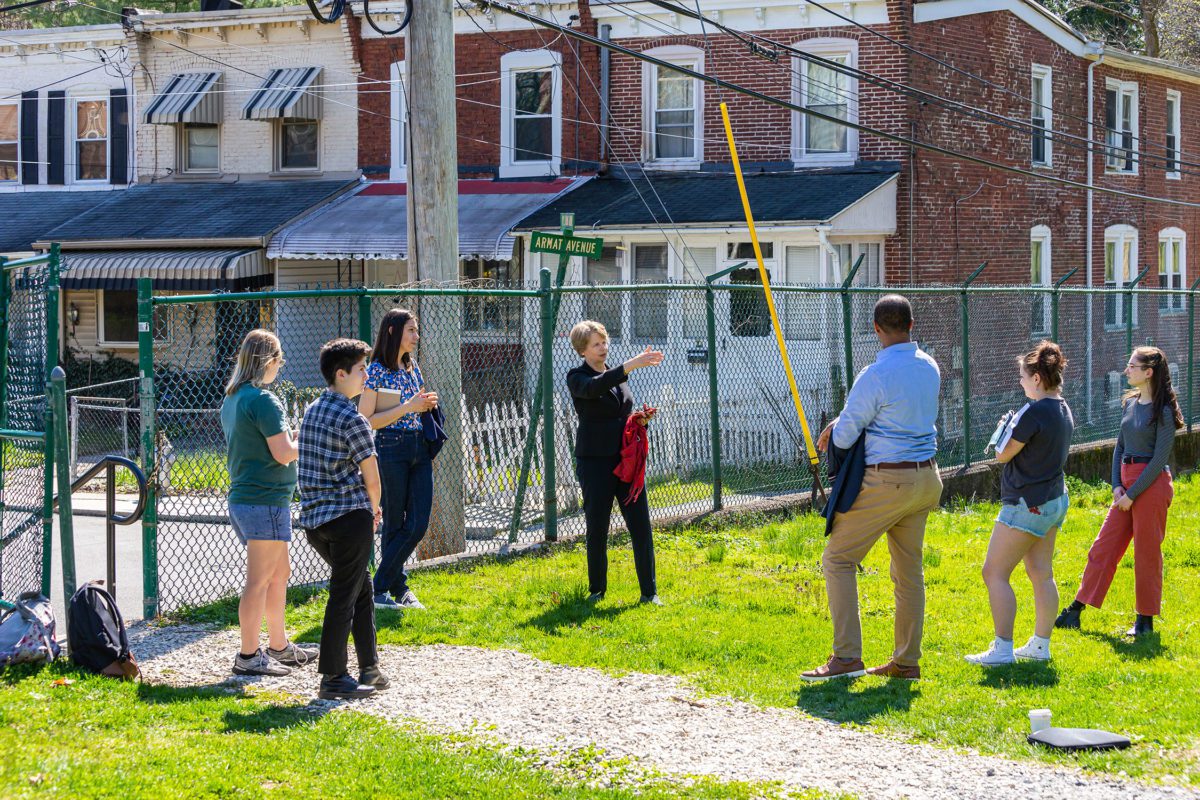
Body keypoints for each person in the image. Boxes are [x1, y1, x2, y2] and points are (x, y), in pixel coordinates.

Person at [803, 295, 942, 682]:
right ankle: (906, 661)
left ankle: (847, 656)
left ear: (877, 329)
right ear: (911, 325)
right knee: (909, 572)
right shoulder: (929, 366)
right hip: (926, 477)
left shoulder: (875, 374)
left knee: (838, 560)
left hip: (888, 479)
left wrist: (837, 427)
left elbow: (846, 434)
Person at [1056, 346, 1182, 638]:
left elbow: (1160, 459)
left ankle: (1145, 621)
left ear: (1148, 372)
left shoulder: (1163, 411)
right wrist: (1116, 486)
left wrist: (1132, 494)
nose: (1127, 370)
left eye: (1132, 366)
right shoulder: (1129, 403)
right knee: (1104, 546)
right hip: (1125, 484)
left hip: (1150, 485)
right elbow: (1120, 447)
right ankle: (1076, 609)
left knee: (1146, 553)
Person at [965, 342, 1073, 666]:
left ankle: (1002, 649)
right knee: (1041, 572)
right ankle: (1041, 645)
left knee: (994, 572)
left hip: (1026, 504)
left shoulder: (1035, 411)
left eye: (1024, 377)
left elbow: (1002, 454)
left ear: (1038, 378)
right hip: (1054, 500)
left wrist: (1006, 429)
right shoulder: (1062, 407)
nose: (1021, 382)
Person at [220, 329, 319, 677]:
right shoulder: (263, 400)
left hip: (249, 499)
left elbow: (264, 446)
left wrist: (290, 442)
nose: (281, 365)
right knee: (259, 580)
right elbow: (282, 454)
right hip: (264, 500)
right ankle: (249, 655)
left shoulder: (233, 398)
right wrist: (305, 438)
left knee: (279, 575)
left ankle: (278, 645)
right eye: (280, 359)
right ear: (269, 361)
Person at [298, 338, 389, 700]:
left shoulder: (312, 410)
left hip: (315, 522)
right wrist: (375, 508)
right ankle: (334, 676)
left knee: (359, 587)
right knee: (342, 596)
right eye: (361, 369)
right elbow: (372, 476)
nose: (366, 375)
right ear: (341, 373)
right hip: (349, 517)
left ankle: (370, 666)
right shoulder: (353, 418)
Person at [566, 320, 664, 605]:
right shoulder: (577, 376)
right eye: (596, 344)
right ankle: (597, 590)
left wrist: (639, 420)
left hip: (626, 462)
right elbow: (594, 389)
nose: (603, 348)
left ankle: (650, 593)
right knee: (598, 527)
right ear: (582, 350)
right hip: (595, 462)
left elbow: (621, 411)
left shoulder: (616, 375)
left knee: (641, 526)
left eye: (605, 342)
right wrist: (631, 364)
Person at [357, 308, 439, 611]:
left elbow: (413, 405)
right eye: (411, 331)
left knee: (417, 523)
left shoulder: (410, 364)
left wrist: (425, 404)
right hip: (391, 448)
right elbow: (366, 419)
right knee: (394, 522)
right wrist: (408, 406)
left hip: (419, 446)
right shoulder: (376, 370)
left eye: (416, 330)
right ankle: (396, 588)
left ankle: (379, 587)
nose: (416, 337)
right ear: (393, 331)